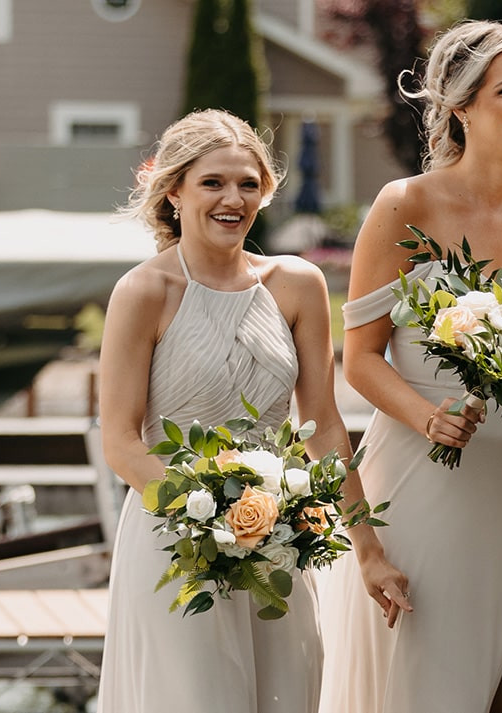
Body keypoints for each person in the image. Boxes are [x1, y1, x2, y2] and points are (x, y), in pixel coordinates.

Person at [318, 20, 502, 713]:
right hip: (425, 482)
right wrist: (428, 416)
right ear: (462, 106)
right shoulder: (407, 205)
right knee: (428, 686)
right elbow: (361, 358)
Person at [95, 109, 347, 713]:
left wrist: (362, 545)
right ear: (174, 191)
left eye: (248, 184)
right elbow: (122, 443)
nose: (233, 199)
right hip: (174, 541)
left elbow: (325, 425)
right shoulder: (142, 293)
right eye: (213, 183)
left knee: (290, 690)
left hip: (280, 539)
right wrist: (217, 519)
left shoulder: (299, 284)